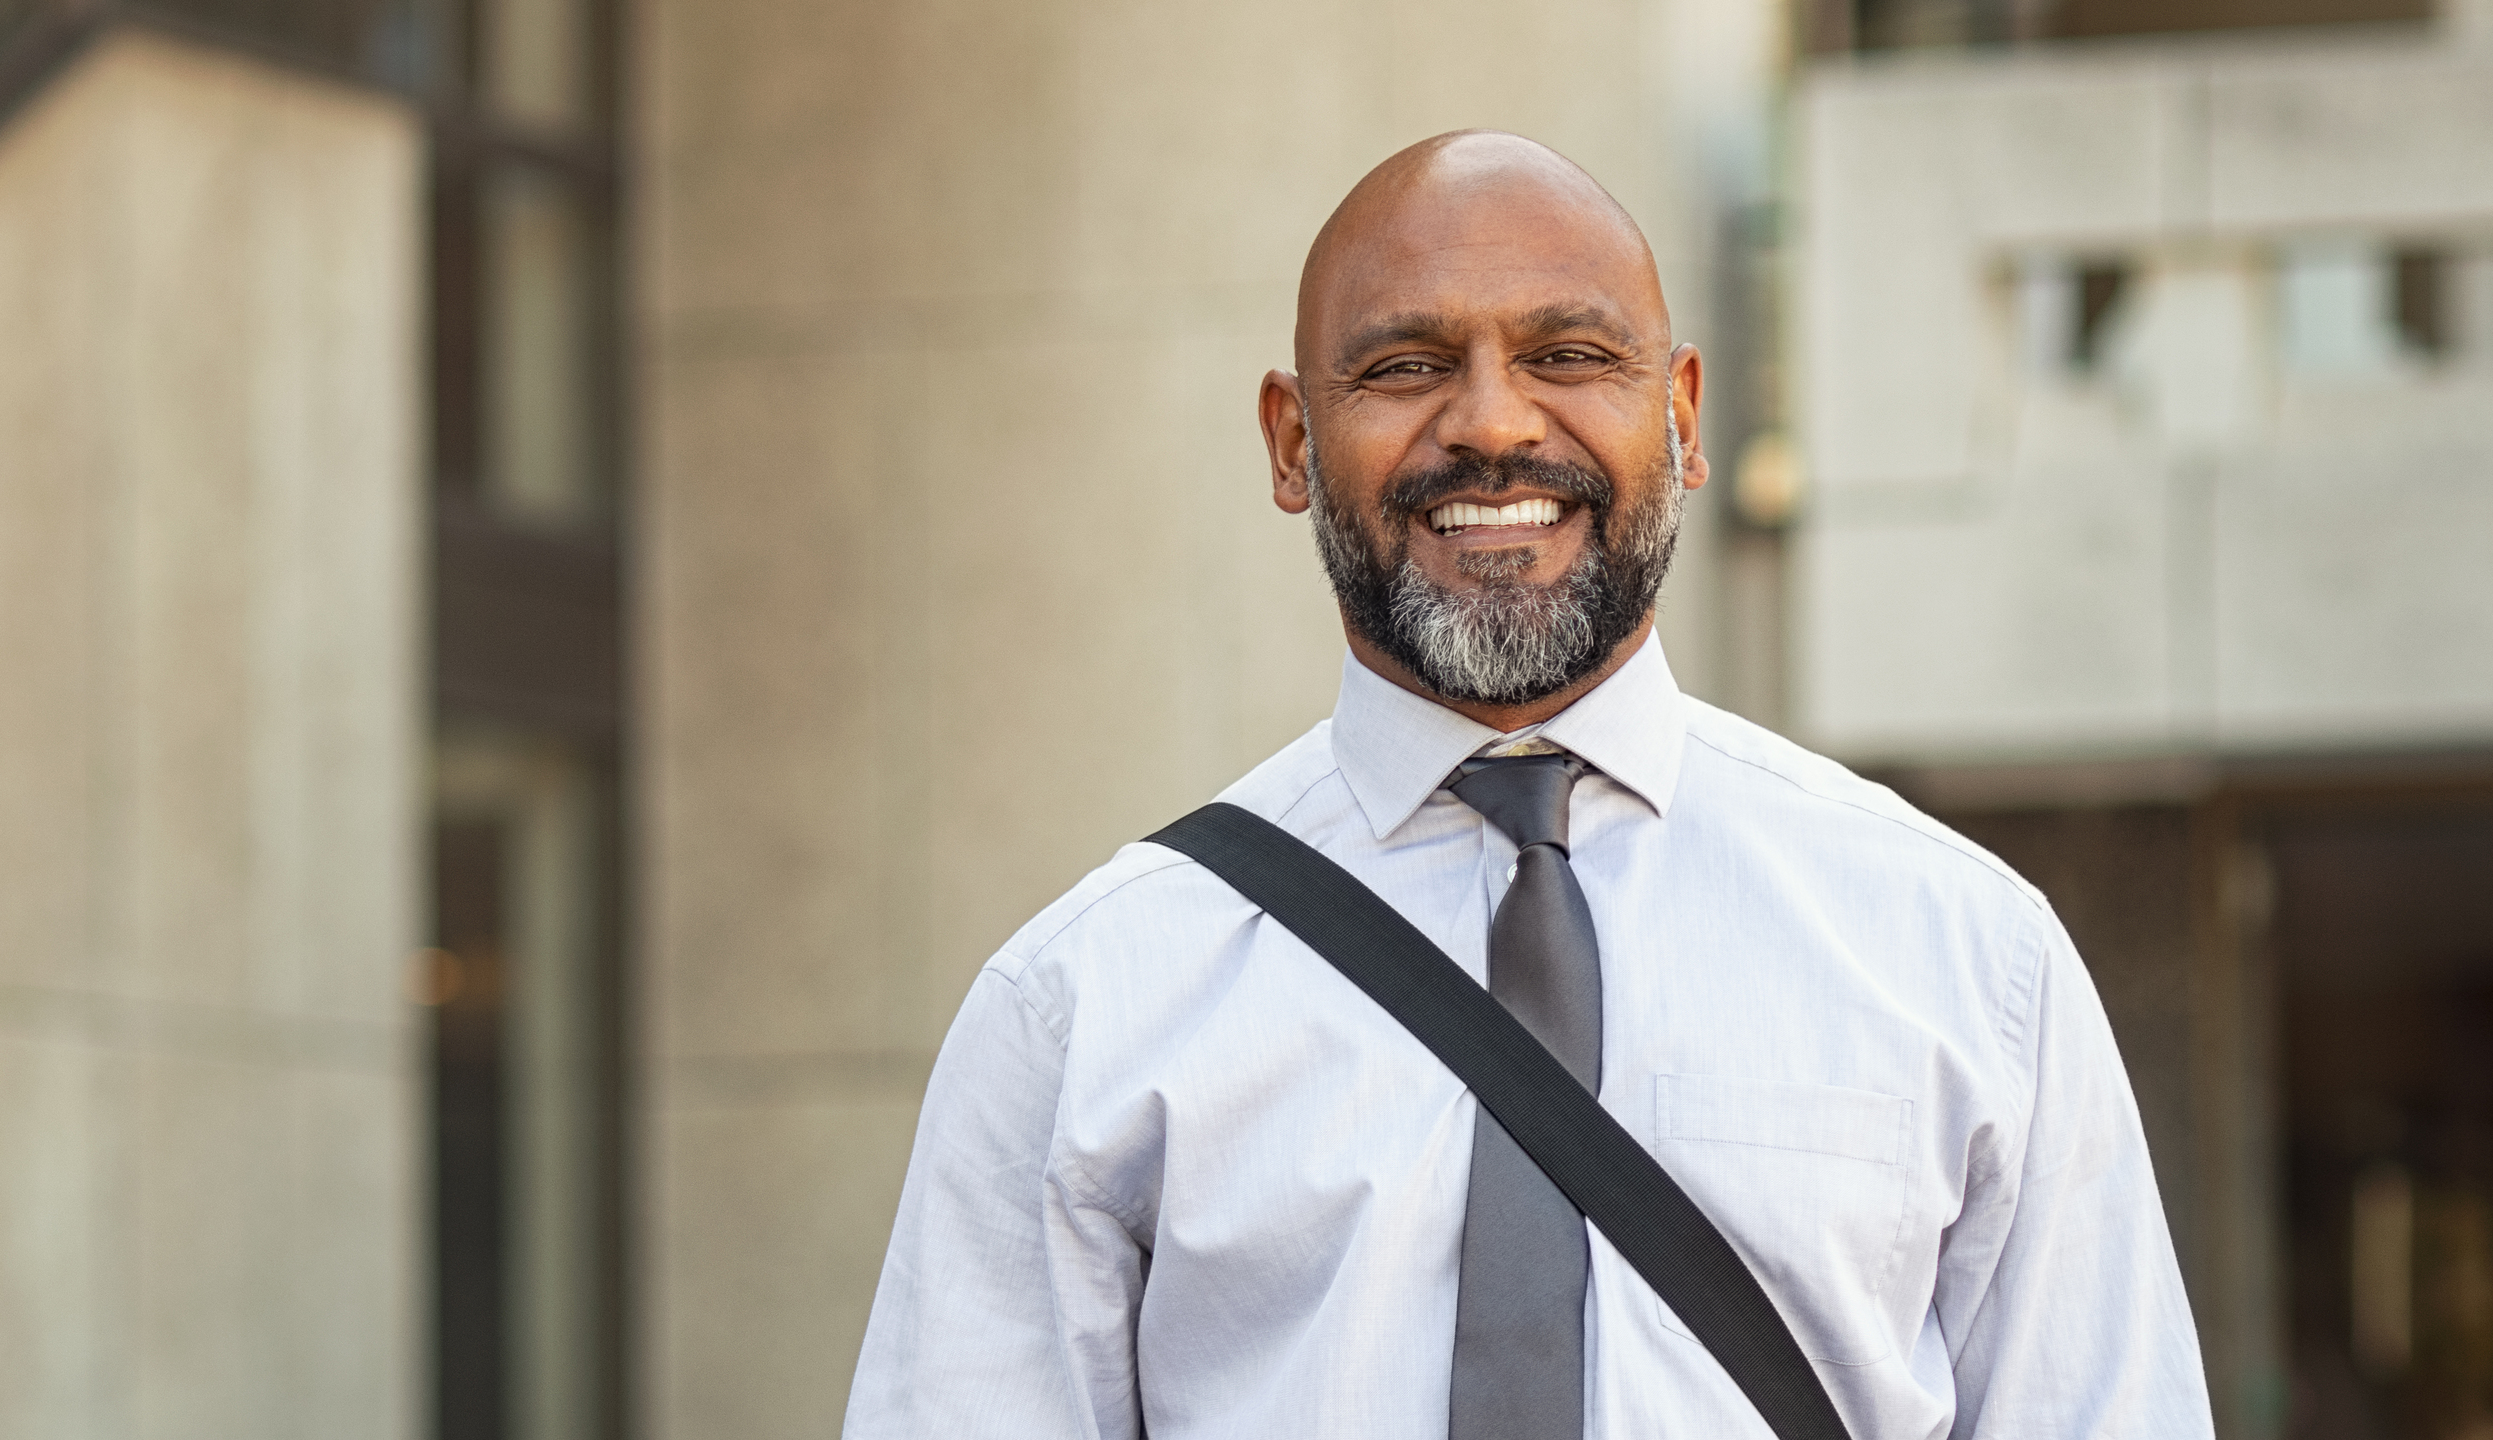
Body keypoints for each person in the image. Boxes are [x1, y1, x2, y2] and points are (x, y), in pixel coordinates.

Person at [840, 132, 2211, 1439]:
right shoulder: (1084, 1007)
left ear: (1679, 416)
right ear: (1290, 442)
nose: (1493, 423)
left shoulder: (1968, 957)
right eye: (1404, 365)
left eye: (1567, 354)